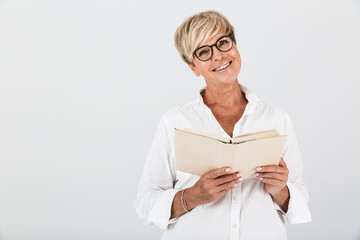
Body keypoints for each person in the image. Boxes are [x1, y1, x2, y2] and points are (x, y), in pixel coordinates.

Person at [134, 10, 311, 240]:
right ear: (193, 67)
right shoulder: (175, 122)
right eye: (204, 52)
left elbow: (299, 197)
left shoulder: (277, 119)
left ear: (235, 46)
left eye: (223, 43)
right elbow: (145, 203)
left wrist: (280, 190)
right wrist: (194, 196)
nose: (218, 56)